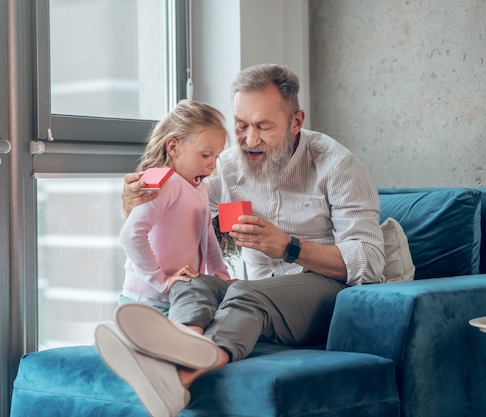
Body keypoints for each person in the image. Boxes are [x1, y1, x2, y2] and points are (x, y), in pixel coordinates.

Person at [95, 64, 385, 417]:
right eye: (241, 126)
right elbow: (181, 201)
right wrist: (136, 197)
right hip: (259, 294)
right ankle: (177, 345)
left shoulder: (337, 166)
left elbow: (369, 261)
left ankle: (183, 377)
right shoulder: (229, 166)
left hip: (325, 293)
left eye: (264, 126)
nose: (249, 140)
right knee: (193, 282)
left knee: (246, 293)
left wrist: (289, 247)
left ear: (296, 121)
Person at [117, 99, 232, 315]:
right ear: (173, 147)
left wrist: (221, 277)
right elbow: (130, 236)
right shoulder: (167, 183)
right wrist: (161, 280)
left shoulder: (199, 189)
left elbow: (207, 239)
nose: (212, 164)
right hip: (146, 300)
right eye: (205, 155)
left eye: (216, 157)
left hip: (175, 300)